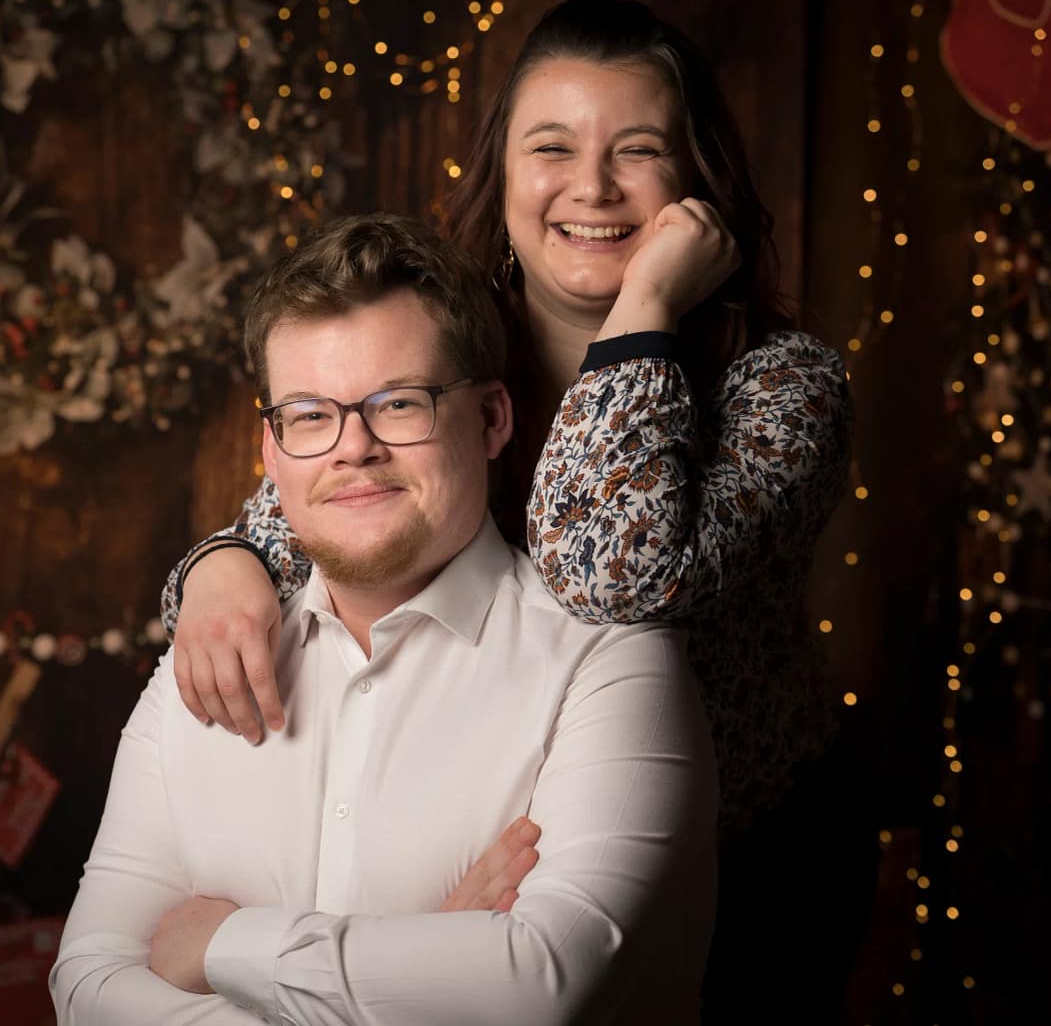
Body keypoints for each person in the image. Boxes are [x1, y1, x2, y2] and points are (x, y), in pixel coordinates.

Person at [161, 0, 868, 1020]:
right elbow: (305, 517)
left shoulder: (784, 388)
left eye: (636, 150)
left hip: (744, 858)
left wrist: (642, 314)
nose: (590, 186)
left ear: (695, 183)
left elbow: (609, 579)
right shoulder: (443, 351)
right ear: (501, 175)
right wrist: (219, 566)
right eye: (551, 147)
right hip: (503, 858)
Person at [51, 214, 717, 1025]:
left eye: (399, 404)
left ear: (491, 419)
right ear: (270, 451)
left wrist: (227, 946)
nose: (352, 448)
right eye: (308, 414)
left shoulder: (611, 663)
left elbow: (544, 986)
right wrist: (418, 979)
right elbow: (86, 988)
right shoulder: (203, 663)